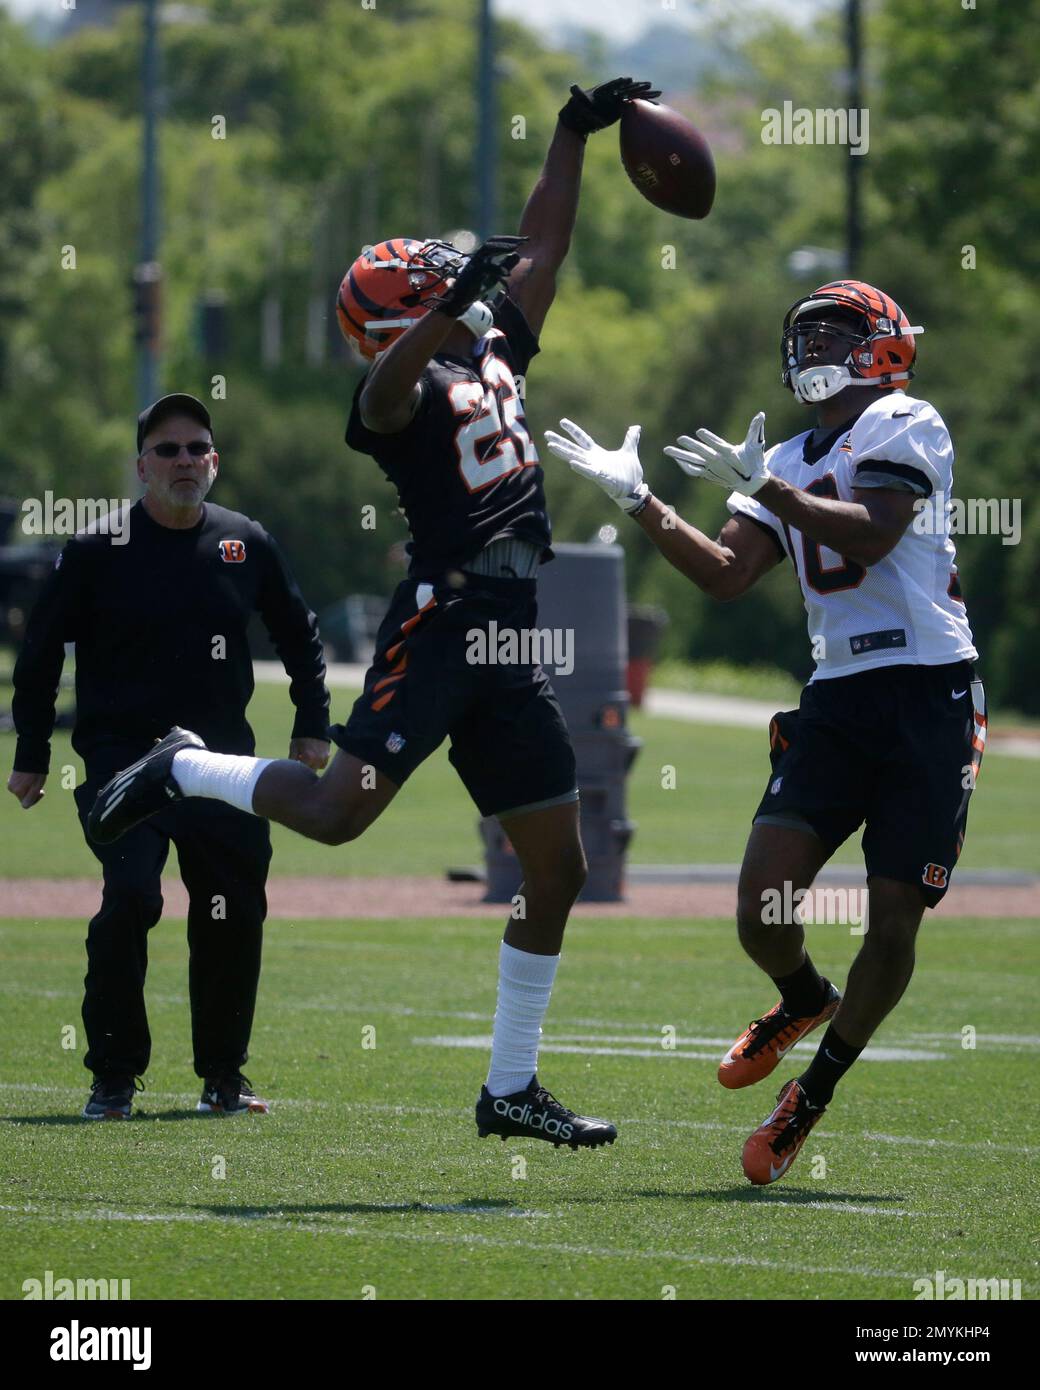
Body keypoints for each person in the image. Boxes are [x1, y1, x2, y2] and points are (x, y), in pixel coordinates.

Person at [87, 78, 662, 1150]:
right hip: (441, 618)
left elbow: (545, 244)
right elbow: (388, 388)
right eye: (440, 283)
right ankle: (180, 765)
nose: (469, 286)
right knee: (337, 810)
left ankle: (508, 1087)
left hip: (511, 622)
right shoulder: (392, 393)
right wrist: (449, 306)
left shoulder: (487, 350)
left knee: (559, 862)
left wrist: (572, 134)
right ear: (407, 307)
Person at [545, 279, 984, 1183]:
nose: (814, 351)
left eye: (835, 336)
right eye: (807, 337)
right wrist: (640, 503)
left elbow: (869, 535)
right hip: (839, 697)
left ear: (885, 347)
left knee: (894, 916)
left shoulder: (910, 421)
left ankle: (810, 1097)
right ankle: (801, 998)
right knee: (761, 907)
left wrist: (768, 488)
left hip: (929, 695)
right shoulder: (781, 453)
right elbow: (724, 575)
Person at [8, 393, 330, 1119]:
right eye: (168, 450)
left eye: (196, 449)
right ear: (141, 466)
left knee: (231, 910)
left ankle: (223, 1076)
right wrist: (31, 752)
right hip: (125, 762)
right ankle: (114, 1076)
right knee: (131, 899)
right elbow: (39, 653)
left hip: (224, 767)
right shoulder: (95, 551)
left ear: (213, 462)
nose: (184, 461)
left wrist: (313, 724)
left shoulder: (245, 542)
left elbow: (301, 636)